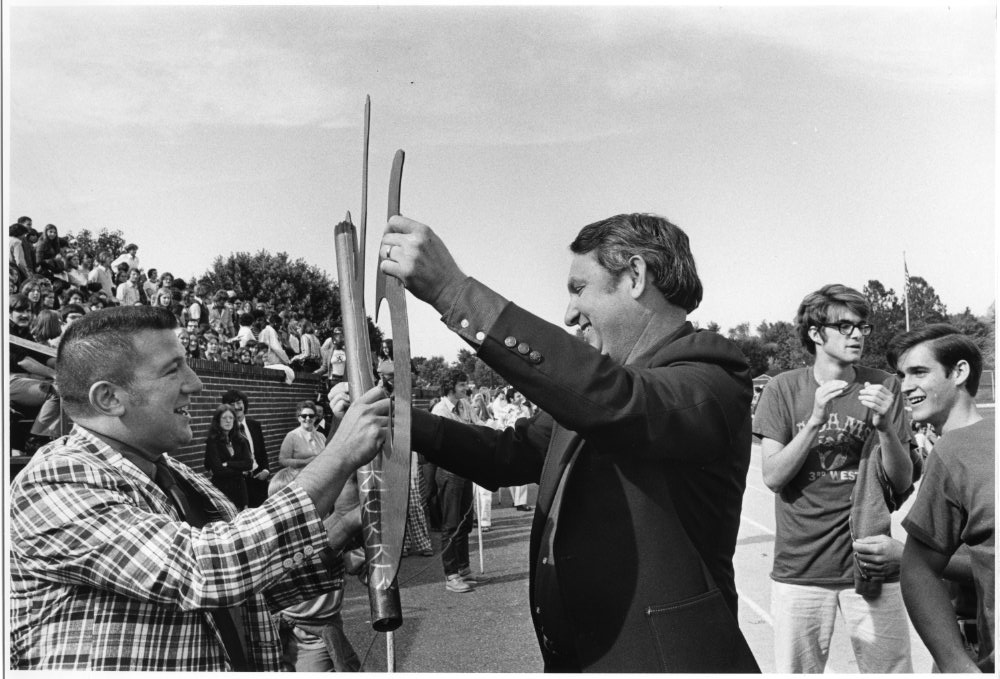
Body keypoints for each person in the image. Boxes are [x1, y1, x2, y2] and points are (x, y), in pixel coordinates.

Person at [380, 212, 757, 671]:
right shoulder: (589, 394)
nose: (570, 314)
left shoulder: (712, 374)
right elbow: (507, 454)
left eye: (579, 289)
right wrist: (400, 421)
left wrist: (455, 293)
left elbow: (618, 401)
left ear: (636, 276)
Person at [9, 305, 391, 670]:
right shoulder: (51, 484)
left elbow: (246, 594)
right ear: (109, 398)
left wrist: (339, 526)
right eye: (172, 370)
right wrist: (338, 455)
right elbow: (205, 567)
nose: (195, 383)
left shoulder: (179, 477)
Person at [754, 284, 917, 673]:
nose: (857, 334)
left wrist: (885, 428)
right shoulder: (783, 388)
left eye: (862, 326)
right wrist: (814, 421)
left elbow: (902, 482)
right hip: (801, 568)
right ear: (815, 333)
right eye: (845, 326)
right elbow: (773, 477)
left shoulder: (884, 385)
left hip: (871, 561)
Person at [889, 325, 994, 673]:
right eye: (902, 375)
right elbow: (921, 569)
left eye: (919, 372)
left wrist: (955, 666)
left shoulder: (959, 447)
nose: (905, 386)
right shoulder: (948, 449)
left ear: (959, 372)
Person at [271, 467, 362, 672]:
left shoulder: (327, 534)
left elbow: (356, 563)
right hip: (293, 632)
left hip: (319, 632)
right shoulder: (281, 544)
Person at [431, 370, 478, 593]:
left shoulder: (465, 405)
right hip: (449, 472)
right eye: (461, 385)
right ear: (451, 387)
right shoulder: (439, 410)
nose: (465, 388)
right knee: (450, 524)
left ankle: (463, 568)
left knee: (465, 523)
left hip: (465, 469)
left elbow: (478, 425)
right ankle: (451, 576)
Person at [221, 389, 272, 508]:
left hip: (259, 481)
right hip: (238, 485)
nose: (236, 407)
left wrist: (266, 470)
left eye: (239, 403)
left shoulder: (255, 425)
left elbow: (262, 452)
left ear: (244, 404)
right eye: (232, 405)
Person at [203, 404, 253, 509]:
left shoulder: (241, 440)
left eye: (231, 418)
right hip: (221, 491)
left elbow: (249, 464)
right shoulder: (212, 442)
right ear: (218, 420)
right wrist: (240, 471)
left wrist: (228, 464)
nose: (228, 421)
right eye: (224, 418)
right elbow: (218, 470)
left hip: (240, 490)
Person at [279, 401, 327, 470]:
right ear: (299, 418)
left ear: (315, 418)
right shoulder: (292, 436)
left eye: (311, 416)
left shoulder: (321, 436)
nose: (308, 418)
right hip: (298, 475)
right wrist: (305, 462)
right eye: (304, 416)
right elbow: (282, 461)